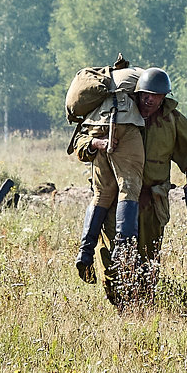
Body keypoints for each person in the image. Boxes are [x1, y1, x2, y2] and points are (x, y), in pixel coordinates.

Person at [73, 67, 187, 310]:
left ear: (164, 98)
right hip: (115, 204)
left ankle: (143, 312)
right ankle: (121, 309)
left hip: (152, 204)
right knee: (111, 261)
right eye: (145, 94)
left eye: (155, 95)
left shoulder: (171, 121)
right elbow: (79, 141)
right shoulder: (116, 113)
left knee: (147, 263)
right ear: (137, 93)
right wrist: (96, 143)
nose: (149, 100)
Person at [72, 59, 146, 283]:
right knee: (129, 189)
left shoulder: (98, 86)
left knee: (101, 194)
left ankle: (85, 251)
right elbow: (154, 91)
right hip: (125, 124)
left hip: (96, 126)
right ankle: (123, 250)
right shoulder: (137, 74)